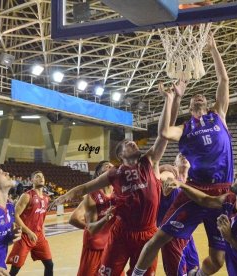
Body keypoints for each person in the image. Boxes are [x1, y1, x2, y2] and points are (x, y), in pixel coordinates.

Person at [54, 81, 183, 276]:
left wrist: (170, 99)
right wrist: (66, 196)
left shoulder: (149, 161)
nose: (132, 142)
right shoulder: (114, 173)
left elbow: (164, 134)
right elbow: (85, 187)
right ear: (120, 155)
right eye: (127, 143)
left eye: (132, 141)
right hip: (121, 233)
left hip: (147, 232)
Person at [133, 34, 232, 276]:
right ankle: (136, 274)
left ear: (208, 105)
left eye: (202, 97)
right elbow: (164, 131)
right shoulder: (186, 128)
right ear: (189, 108)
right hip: (195, 191)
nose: (198, 97)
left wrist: (213, 49)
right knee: (160, 238)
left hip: (222, 192)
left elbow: (224, 80)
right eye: (193, 98)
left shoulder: (219, 116)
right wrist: (170, 99)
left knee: (218, 259)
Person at [164, 163, 237, 275]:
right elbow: (206, 200)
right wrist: (182, 185)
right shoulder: (231, 200)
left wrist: (231, 239)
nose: (236, 176)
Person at [68, 160, 118, 276]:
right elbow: (73, 218)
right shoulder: (92, 194)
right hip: (95, 245)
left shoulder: (119, 192)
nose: (110, 167)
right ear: (98, 173)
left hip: (112, 245)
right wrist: (91, 228)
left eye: (112, 166)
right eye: (107, 166)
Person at [158, 154, 199, 276]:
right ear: (175, 164)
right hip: (171, 236)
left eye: (187, 155)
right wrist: (165, 180)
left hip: (187, 236)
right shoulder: (171, 173)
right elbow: (163, 178)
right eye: (180, 155)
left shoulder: (192, 184)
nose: (184, 156)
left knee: (195, 272)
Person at [7, 171, 53, 276]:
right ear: (32, 180)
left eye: (42, 176)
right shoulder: (27, 196)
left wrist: (43, 234)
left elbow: (42, 219)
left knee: (49, 264)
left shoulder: (46, 198)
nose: (41, 178)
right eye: (37, 177)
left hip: (39, 236)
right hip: (25, 236)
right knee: (15, 269)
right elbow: (15, 215)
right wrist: (29, 232)